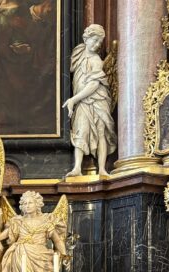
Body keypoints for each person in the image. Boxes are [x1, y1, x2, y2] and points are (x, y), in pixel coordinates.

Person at [64, 24, 116, 177]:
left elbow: (94, 85)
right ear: (86, 38)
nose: (98, 44)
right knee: (81, 130)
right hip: (82, 100)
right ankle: (77, 168)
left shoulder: (96, 60)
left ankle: (102, 169)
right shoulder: (78, 53)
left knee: (101, 133)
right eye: (95, 40)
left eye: (100, 42)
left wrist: (73, 99)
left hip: (97, 100)